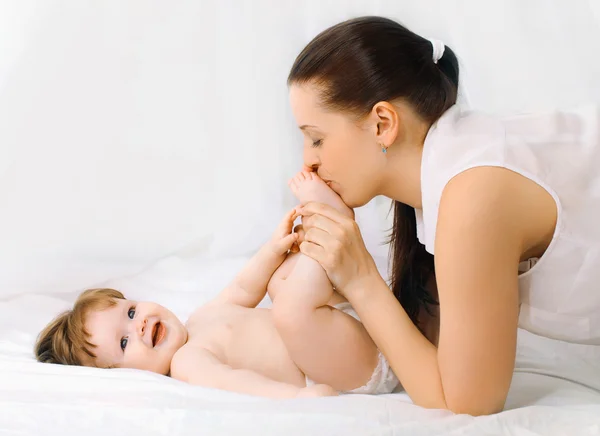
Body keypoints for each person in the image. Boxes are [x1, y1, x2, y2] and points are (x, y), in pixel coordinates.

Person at [287, 15, 600, 415]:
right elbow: (431, 348)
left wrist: (361, 277)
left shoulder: (473, 195)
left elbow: (468, 401)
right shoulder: (445, 174)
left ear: (382, 123)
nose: (307, 162)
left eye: (317, 138)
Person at [34, 171, 399, 398]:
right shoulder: (188, 363)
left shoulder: (200, 319)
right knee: (293, 300)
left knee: (278, 281)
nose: (140, 323)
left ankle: (329, 238)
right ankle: (333, 220)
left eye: (130, 312)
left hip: (342, 326)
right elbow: (238, 384)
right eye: (125, 341)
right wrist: (294, 399)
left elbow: (243, 289)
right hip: (340, 365)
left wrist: (273, 249)